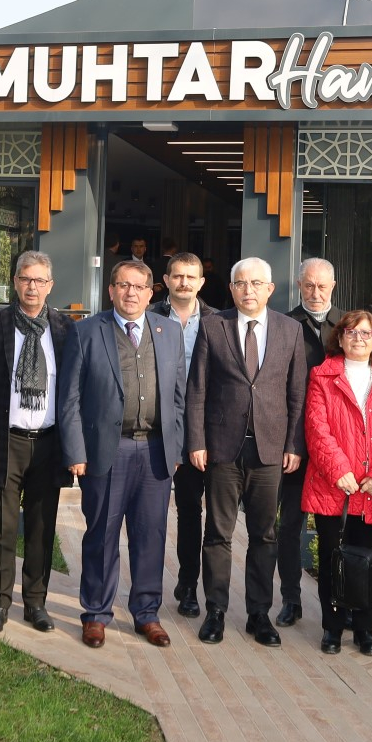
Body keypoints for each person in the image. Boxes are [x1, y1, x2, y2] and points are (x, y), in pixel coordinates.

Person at [59, 259, 187, 648]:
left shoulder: (169, 331)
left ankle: (146, 614)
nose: (131, 293)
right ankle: (96, 614)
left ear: (151, 293)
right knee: (101, 535)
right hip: (106, 451)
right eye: (123, 285)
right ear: (111, 290)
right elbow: (70, 398)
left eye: (138, 286)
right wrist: (76, 451)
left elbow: (179, 396)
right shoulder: (86, 331)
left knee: (151, 536)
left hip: (155, 452)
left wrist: (176, 445)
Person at [185, 257, 309, 648]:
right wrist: (197, 441)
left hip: (271, 450)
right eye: (240, 283)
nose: (248, 290)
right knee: (217, 534)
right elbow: (197, 389)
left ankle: (259, 614)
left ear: (270, 289)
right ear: (231, 288)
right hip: (222, 448)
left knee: (264, 535)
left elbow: (297, 393)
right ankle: (216, 612)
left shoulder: (290, 329)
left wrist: (294, 445)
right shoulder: (212, 326)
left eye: (256, 283)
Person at [300, 311, 372, 657]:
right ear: (340, 337)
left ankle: (364, 629)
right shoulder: (322, 376)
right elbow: (317, 428)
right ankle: (332, 628)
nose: (358, 338)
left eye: (366, 333)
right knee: (332, 559)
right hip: (334, 486)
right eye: (351, 332)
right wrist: (339, 471)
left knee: (367, 561)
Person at [0, 250, 72, 635]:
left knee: (40, 527)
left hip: (49, 442)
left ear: (50, 285)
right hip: (6, 440)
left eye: (39, 280)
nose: (32, 287)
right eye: (25, 279)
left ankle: (36, 603)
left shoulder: (65, 330)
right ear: (15, 282)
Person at [277, 258, 343, 626]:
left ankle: (336, 603)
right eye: (308, 285)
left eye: (322, 286)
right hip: (296, 447)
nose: (315, 293)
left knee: (335, 531)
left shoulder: (350, 326)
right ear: (299, 285)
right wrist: (291, 444)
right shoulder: (283, 325)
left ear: (333, 286)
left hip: (336, 450)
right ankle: (291, 599)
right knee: (289, 526)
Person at [150, 251, 214, 618]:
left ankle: (191, 585)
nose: (184, 282)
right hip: (158, 427)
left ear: (201, 282)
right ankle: (163, 586)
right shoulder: (150, 316)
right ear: (166, 280)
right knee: (162, 511)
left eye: (191, 277)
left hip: (202, 431)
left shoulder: (218, 321)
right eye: (177, 276)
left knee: (196, 510)